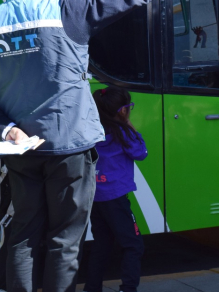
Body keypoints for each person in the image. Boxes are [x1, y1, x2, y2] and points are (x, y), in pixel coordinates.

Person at [0, 0, 205, 292]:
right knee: (66, 241)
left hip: (20, 150)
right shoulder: (70, 11)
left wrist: (6, 128)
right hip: (70, 150)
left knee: (23, 237)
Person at [84, 87, 147, 292]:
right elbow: (140, 153)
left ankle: (91, 288)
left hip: (94, 196)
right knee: (133, 245)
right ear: (122, 111)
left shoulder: (91, 130)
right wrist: (128, 124)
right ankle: (128, 289)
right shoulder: (122, 132)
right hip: (116, 197)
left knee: (102, 245)